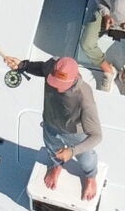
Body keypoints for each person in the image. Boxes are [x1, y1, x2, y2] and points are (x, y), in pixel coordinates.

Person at [8, 55, 103, 202]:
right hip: (50, 121)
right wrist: (23, 65)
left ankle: (90, 177)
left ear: (74, 78)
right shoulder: (52, 65)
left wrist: (72, 151)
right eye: (54, 80)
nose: (56, 86)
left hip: (75, 132)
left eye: (61, 84)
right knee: (52, 148)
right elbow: (41, 68)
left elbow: (97, 135)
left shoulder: (85, 98)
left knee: (86, 158)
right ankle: (57, 166)